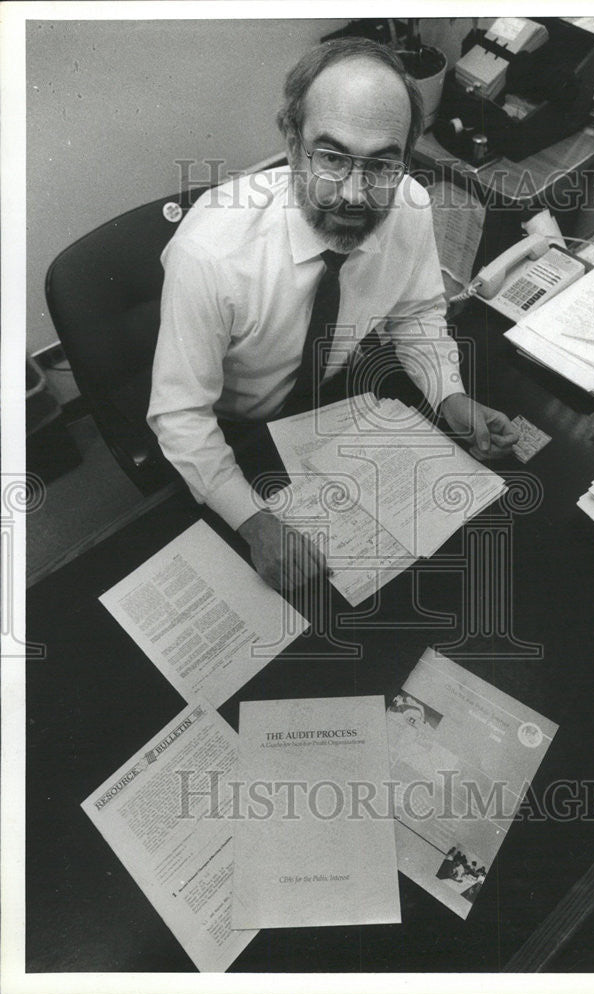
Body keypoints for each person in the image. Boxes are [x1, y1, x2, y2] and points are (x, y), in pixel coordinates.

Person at [148, 37, 517, 591]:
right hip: (235, 435)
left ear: (406, 156)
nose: (354, 194)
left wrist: (449, 394)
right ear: (293, 144)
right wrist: (253, 522)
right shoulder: (210, 252)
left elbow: (415, 314)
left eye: (381, 164)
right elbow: (180, 415)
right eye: (332, 156)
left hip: (332, 412)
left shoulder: (410, 206)